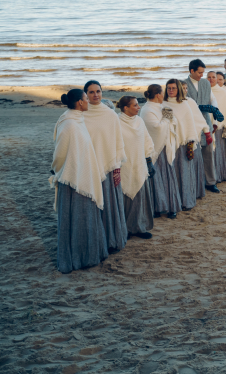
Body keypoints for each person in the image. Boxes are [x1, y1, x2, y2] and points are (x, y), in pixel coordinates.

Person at [51, 89, 108, 273]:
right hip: (72, 179)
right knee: (77, 219)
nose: (89, 101)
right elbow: (60, 152)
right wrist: (58, 170)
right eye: (86, 98)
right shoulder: (69, 123)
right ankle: (78, 258)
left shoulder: (77, 119)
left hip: (84, 174)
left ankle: (89, 255)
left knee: (87, 217)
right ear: (80, 102)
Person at [83, 80, 128, 253]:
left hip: (108, 165)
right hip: (89, 165)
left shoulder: (110, 115)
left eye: (98, 91)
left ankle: (111, 240)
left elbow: (118, 141)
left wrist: (116, 166)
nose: (96, 95)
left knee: (109, 205)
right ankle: (95, 241)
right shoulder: (81, 114)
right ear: (86, 94)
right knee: (91, 204)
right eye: (91, 92)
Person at [165, 79, 211, 210]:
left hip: (183, 143)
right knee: (172, 172)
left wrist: (191, 142)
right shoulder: (162, 104)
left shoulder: (185, 104)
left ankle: (185, 200)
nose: (171, 90)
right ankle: (173, 201)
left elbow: (190, 123)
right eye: (169, 88)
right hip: (169, 143)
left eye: (174, 88)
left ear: (178, 89)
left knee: (184, 172)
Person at [139, 84, 181, 219]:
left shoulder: (160, 107)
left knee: (168, 176)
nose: (164, 95)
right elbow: (156, 128)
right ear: (158, 95)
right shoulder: (147, 110)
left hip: (165, 147)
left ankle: (170, 206)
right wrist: (166, 118)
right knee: (156, 177)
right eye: (162, 93)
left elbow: (172, 120)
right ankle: (158, 207)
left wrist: (169, 117)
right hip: (155, 148)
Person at [116, 96, 155, 239]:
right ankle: (125, 229)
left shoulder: (139, 121)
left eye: (138, 105)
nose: (139, 107)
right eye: (135, 105)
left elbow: (146, 141)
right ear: (125, 108)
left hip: (139, 164)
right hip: (123, 166)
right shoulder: (117, 122)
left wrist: (149, 161)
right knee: (124, 198)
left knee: (139, 198)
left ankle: (139, 227)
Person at [183, 59, 223, 194]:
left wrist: (215, 110)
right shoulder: (183, 84)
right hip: (191, 124)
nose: (202, 75)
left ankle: (211, 182)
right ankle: (194, 182)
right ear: (192, 71)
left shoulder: (205, 83)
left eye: (203, 73)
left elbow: (212, 99)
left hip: (206, 122)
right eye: (200, 73)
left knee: (208, 153)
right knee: (192, 154)